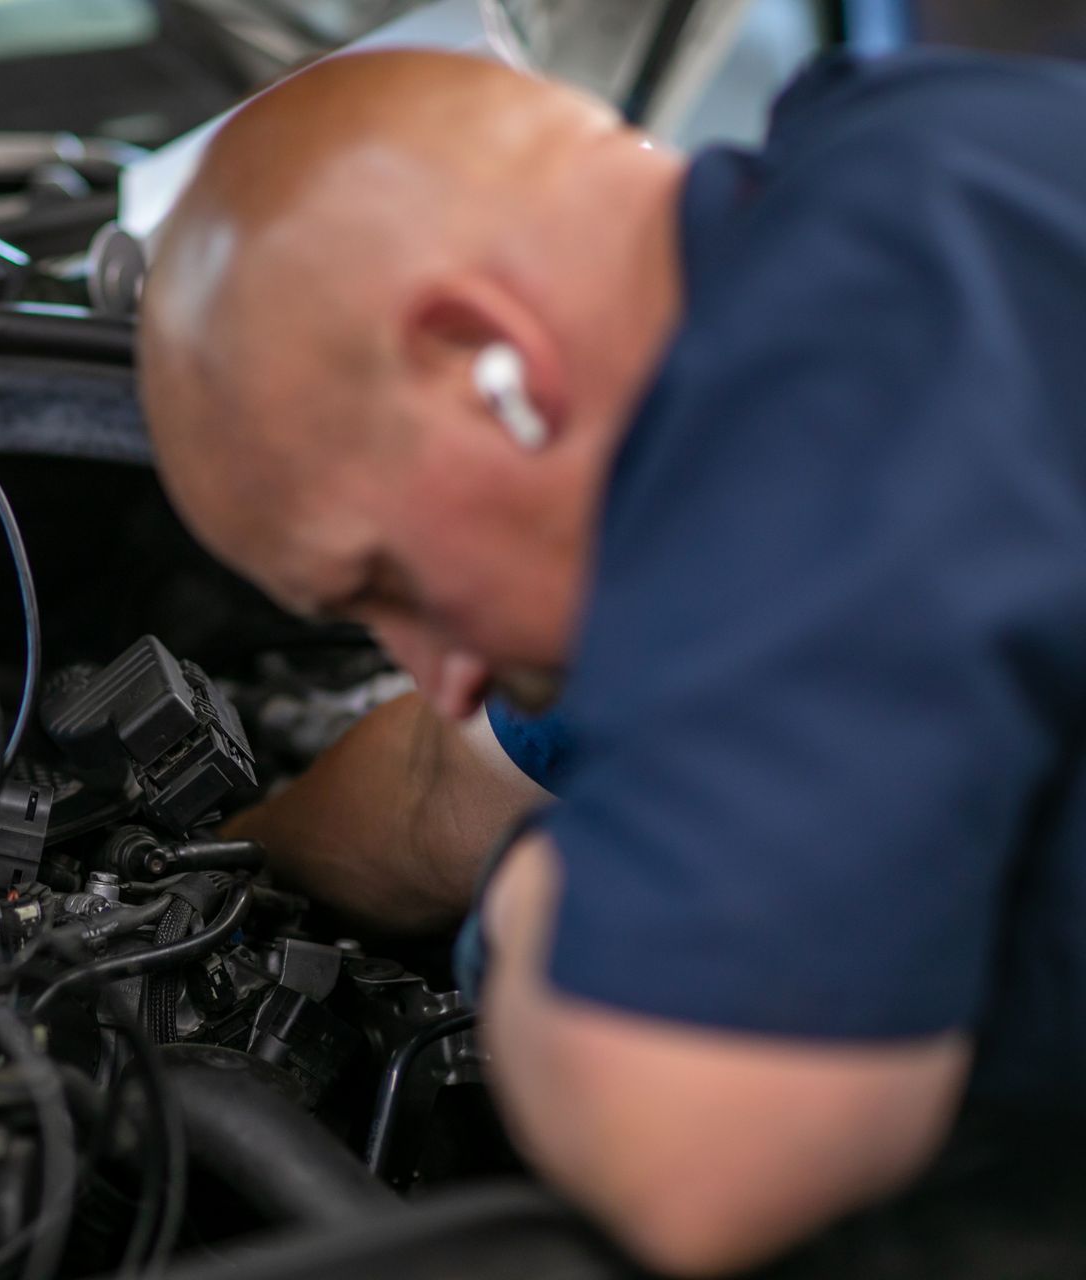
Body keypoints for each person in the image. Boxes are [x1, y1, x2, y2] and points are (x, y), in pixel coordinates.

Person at [136, 46, 1086, 1276]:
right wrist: (218, 857)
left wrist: (542, 899)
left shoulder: (828, 387)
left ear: (493, 366)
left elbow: (701, 1158)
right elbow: (444, 787)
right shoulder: (925, 157)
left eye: (389, 585)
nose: (442, 672)